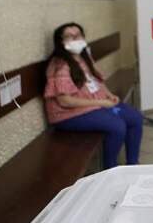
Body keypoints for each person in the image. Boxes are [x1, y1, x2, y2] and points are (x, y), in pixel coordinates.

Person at [44, 22, 143, 169]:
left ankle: (132, 165)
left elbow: (96, 80)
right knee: (117, 126)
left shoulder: (83, 57)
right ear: (60, 41)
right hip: (68, 114)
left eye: (78, 35)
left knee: (135, 117)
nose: (75, 39)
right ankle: (110, 170)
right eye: (69, 36)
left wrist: (109, 95)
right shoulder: (60, 65)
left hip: (93, 104)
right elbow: (65, 101)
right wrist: (102, 103)